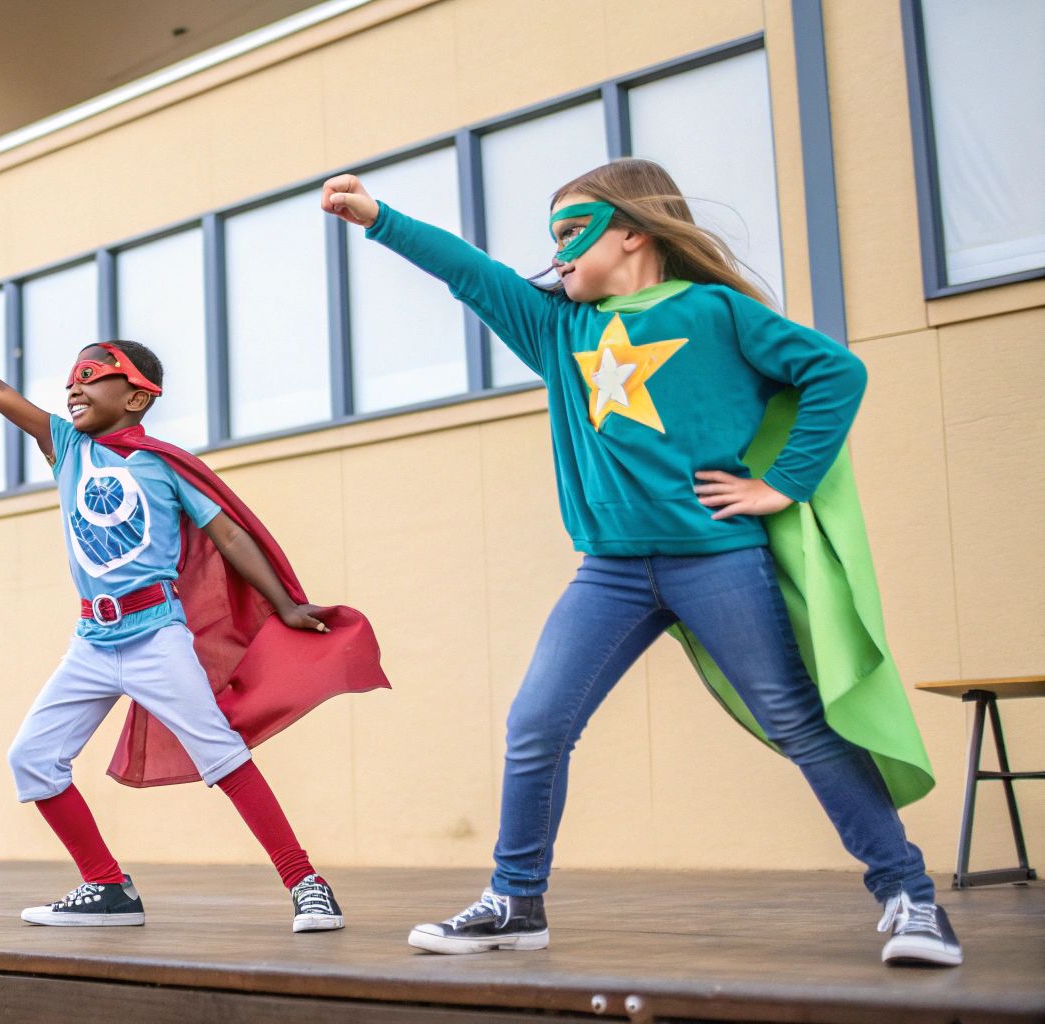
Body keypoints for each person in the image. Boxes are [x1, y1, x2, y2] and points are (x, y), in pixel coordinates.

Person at [322, 158, 958, 967]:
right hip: (611, 573)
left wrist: (783, 484)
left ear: (632, 232)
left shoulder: (715, 312)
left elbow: (837, 371)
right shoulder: (558, 328)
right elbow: (473, 273)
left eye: (571, 233)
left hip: (718, 561)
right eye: (551, 239)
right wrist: (380, 218)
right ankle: (515, 902)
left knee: (798, 721)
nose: (556, 254)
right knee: (537, 724)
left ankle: (911, 897)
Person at [0, 325, 389, 931]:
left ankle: (306, 882)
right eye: (71, 380)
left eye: (91, 377)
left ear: (136, 397)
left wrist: (283, 604)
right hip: (91, 644)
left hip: (156, 635)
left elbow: (230, 536)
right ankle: (107, 888)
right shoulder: (68, 447)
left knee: (222, 755)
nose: (74, 388)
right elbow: (1, 396)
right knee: (33, 758)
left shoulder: (164, 465)